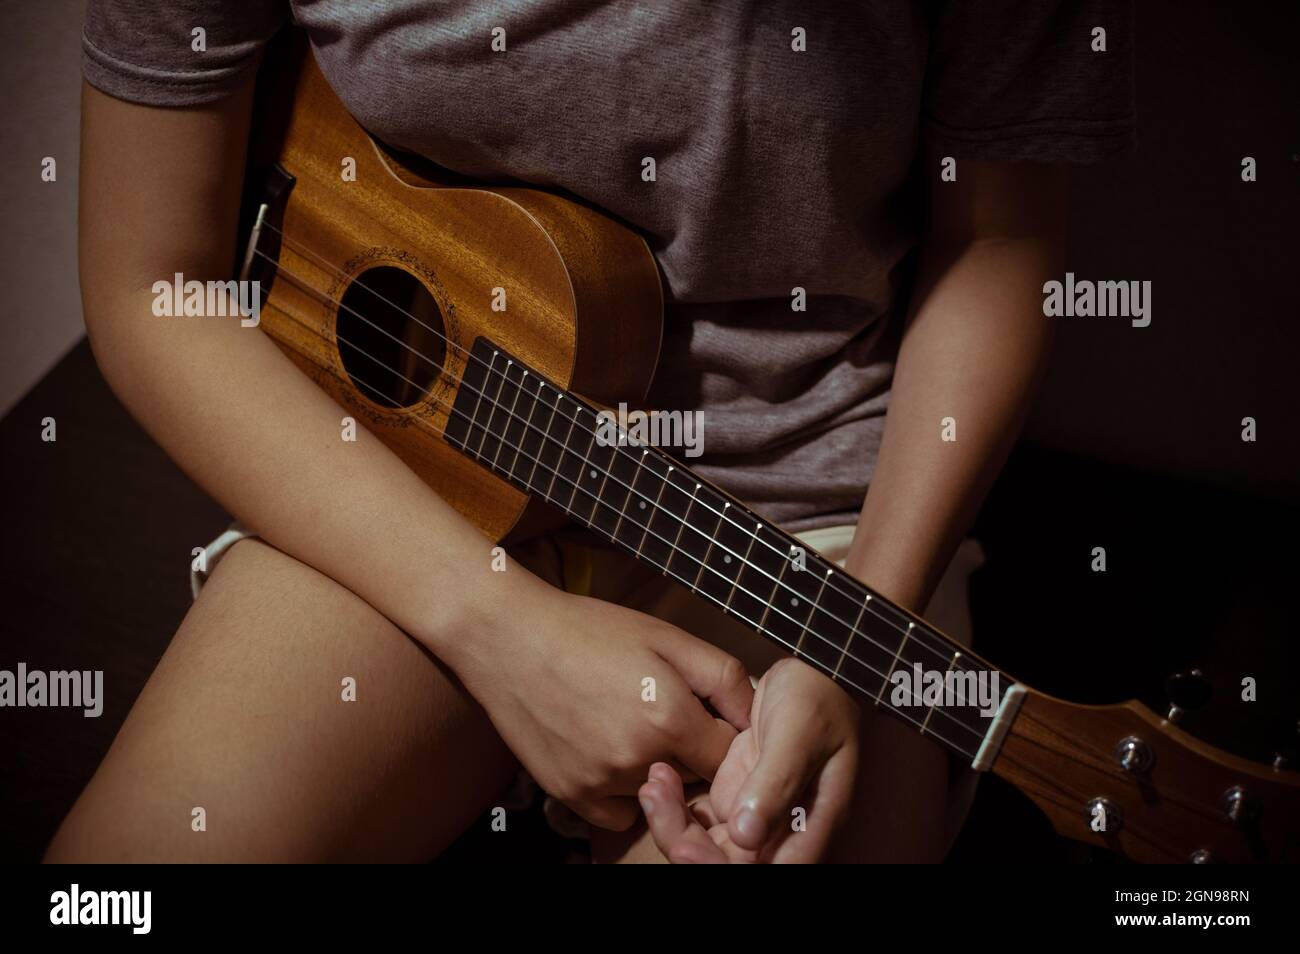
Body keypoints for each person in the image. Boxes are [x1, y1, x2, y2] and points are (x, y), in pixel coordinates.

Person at [48, 1, 1132, 863]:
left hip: (813, 540)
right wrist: (495, 625)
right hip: (406, 495)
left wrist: (859, 643)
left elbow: (995, 246)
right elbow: (155, 286)